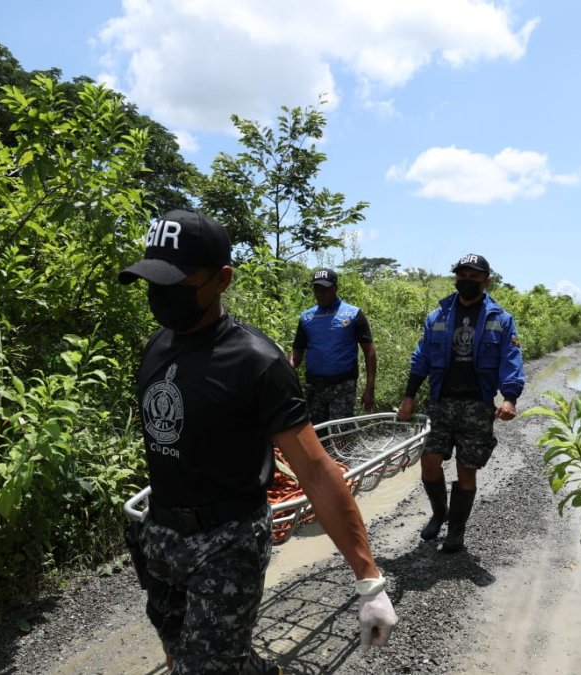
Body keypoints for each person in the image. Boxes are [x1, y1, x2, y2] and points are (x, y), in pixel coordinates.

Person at [119, 210, 398, 675]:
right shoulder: (157, 347)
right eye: (153, 280)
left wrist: (369, 580)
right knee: (177, 648)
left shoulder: (256, 362)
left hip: (227, 544)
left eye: (177, 282)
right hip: (162, 536)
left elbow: (315, 471)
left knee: (203, 668)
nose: (161, 294)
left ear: (222, 279)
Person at [395, 253, 524, 553]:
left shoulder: (500, 320)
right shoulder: (438, 316)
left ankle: (456, 529)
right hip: (440, 402)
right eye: (462, 276)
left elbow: (510, 360)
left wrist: (510, 398)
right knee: (429, 462)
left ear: (486, 281)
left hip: (476, 406)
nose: (467, 281)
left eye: (474, 276)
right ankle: (439, 513)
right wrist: (409, 397)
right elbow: (421, 359)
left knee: (466, 470)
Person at [288, 268, 377, 424]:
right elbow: (297, 352)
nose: (320, 293)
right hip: (314, 386)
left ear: (335, 288)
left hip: (343, 385)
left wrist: (369, 388)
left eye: (325, 289)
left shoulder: (353, 314)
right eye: (317, 289)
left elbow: (369, 351)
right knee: (317, 431)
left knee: (340, 431)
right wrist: (286, 370)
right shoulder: (306, 317)